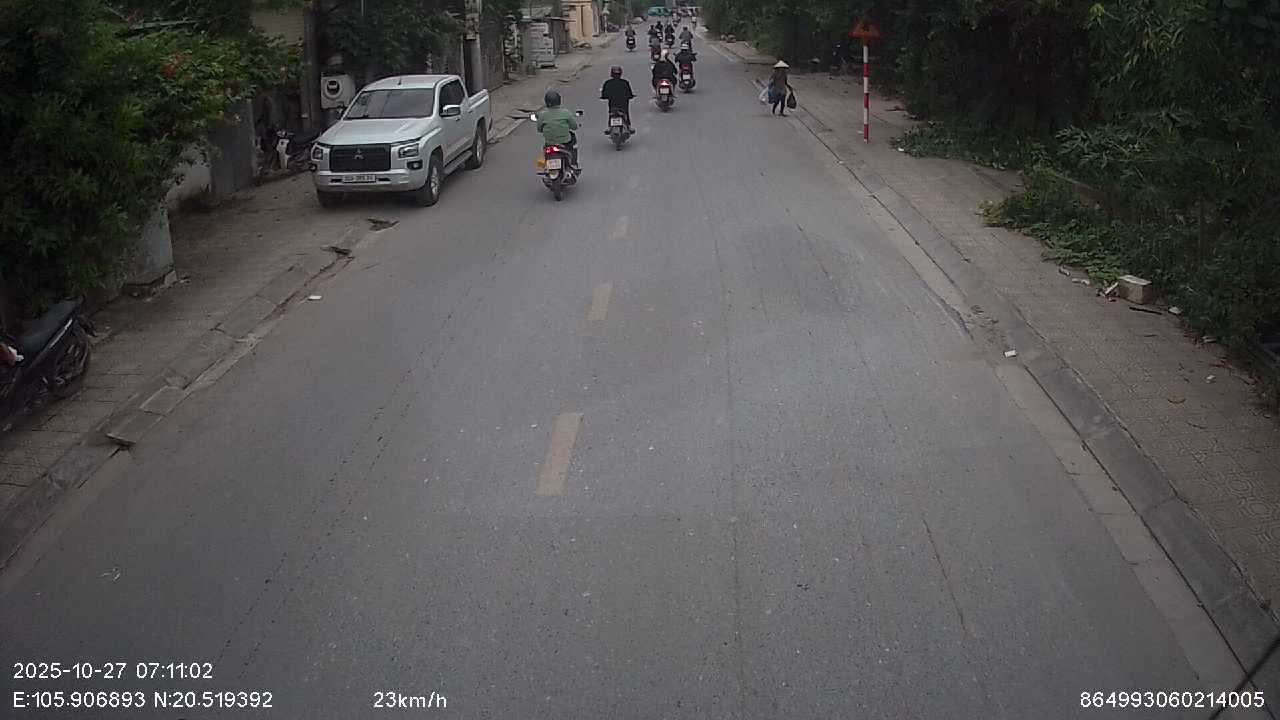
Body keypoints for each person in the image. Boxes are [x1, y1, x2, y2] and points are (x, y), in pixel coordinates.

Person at [535, 89, 579, 169]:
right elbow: (574, 127)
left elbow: (539, 129)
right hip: (565, 143)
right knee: (573, 145)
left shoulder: (542, 115)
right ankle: (573, 163)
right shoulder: (566, 113)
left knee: (545, 150)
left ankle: (545, 166)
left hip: (550, 143)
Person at [600, 65, 635, 132]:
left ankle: (609, 127)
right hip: (623, 104)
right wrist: (630, 96)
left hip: (612, 104)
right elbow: (629, 93)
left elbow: (604, 95)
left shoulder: (607, 83)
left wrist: (604, 97)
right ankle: (629, 126)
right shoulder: (625, 83)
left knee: (611, 113)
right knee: (626, 113)